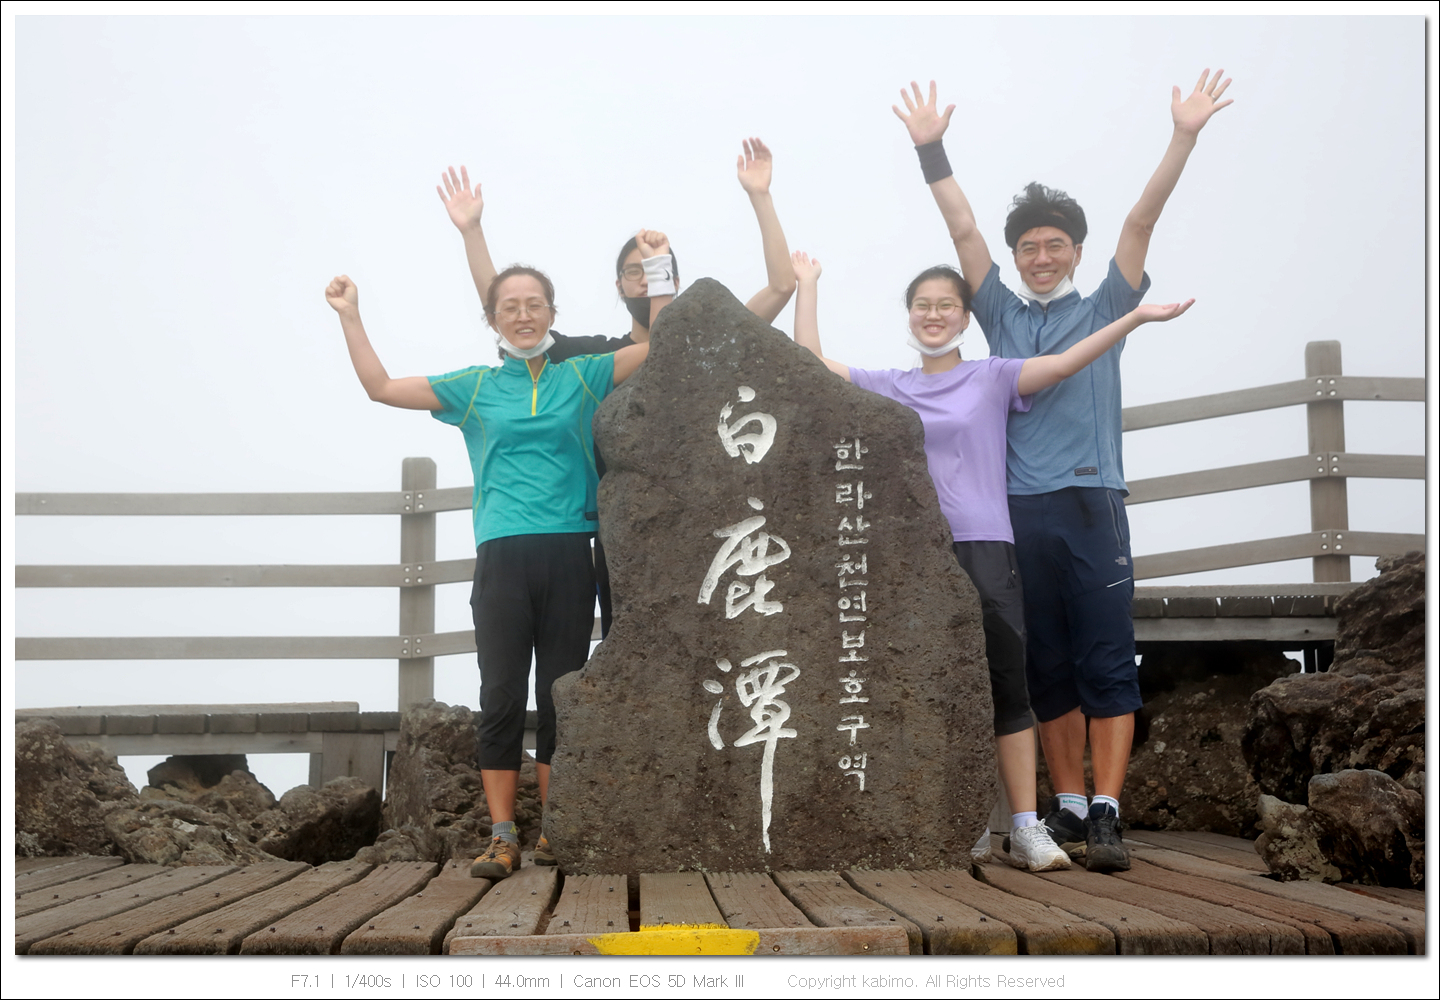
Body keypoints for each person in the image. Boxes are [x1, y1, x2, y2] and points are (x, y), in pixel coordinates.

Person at [894, 72, 1232, 872]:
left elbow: (1141, 219)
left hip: (1091, 502)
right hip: (1019, 512)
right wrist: (931, 150)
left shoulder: (1107, 303)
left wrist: (1183, 136)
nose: (1040, 257)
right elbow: (963, 227)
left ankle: (1108, 810)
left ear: (1076, 251)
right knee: (1043, 664)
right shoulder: (1001, 314)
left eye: (1054, 246)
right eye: (1028, 248)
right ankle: (1071, 805)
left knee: (1105, 658)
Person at [789, 250, 1192, 872]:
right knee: (927, 687)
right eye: (923, 305)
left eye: (946, 305)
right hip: (916, 556)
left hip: (987, 546)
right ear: (909, 315)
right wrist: (808, 285)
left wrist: (1133, 318)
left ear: (964, 317)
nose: (934, 315)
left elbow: (1066, 361)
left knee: (1008, 685)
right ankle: (957, 823)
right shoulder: (890, 385)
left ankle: (1026, 827)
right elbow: (808, 365)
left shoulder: (992, 376)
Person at [324, 235, 664, 879]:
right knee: (502, 694)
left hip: (570, 553)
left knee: (561, 694)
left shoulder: (583, 375)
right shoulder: (475, 388)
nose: (523, 315)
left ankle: (556, 830)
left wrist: (658, 270)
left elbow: (663, 347)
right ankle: (502, 835)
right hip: (503, 558)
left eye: (535, 304)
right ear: (492, 319)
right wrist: (351, 316)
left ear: (552, 313)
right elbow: (381, 387)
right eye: (510, 306)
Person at [437, 140, 797, 635]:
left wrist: (760, 195)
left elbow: (781, 287)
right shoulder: (594, 362)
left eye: (655, 270)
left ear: (671, 279)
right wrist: (472, 232)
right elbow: (509, 315)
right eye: (634, 272)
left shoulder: (706, 350)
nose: (645, 280)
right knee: (626, 644)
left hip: (700, 522)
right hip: (621, 526)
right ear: (619, 285)